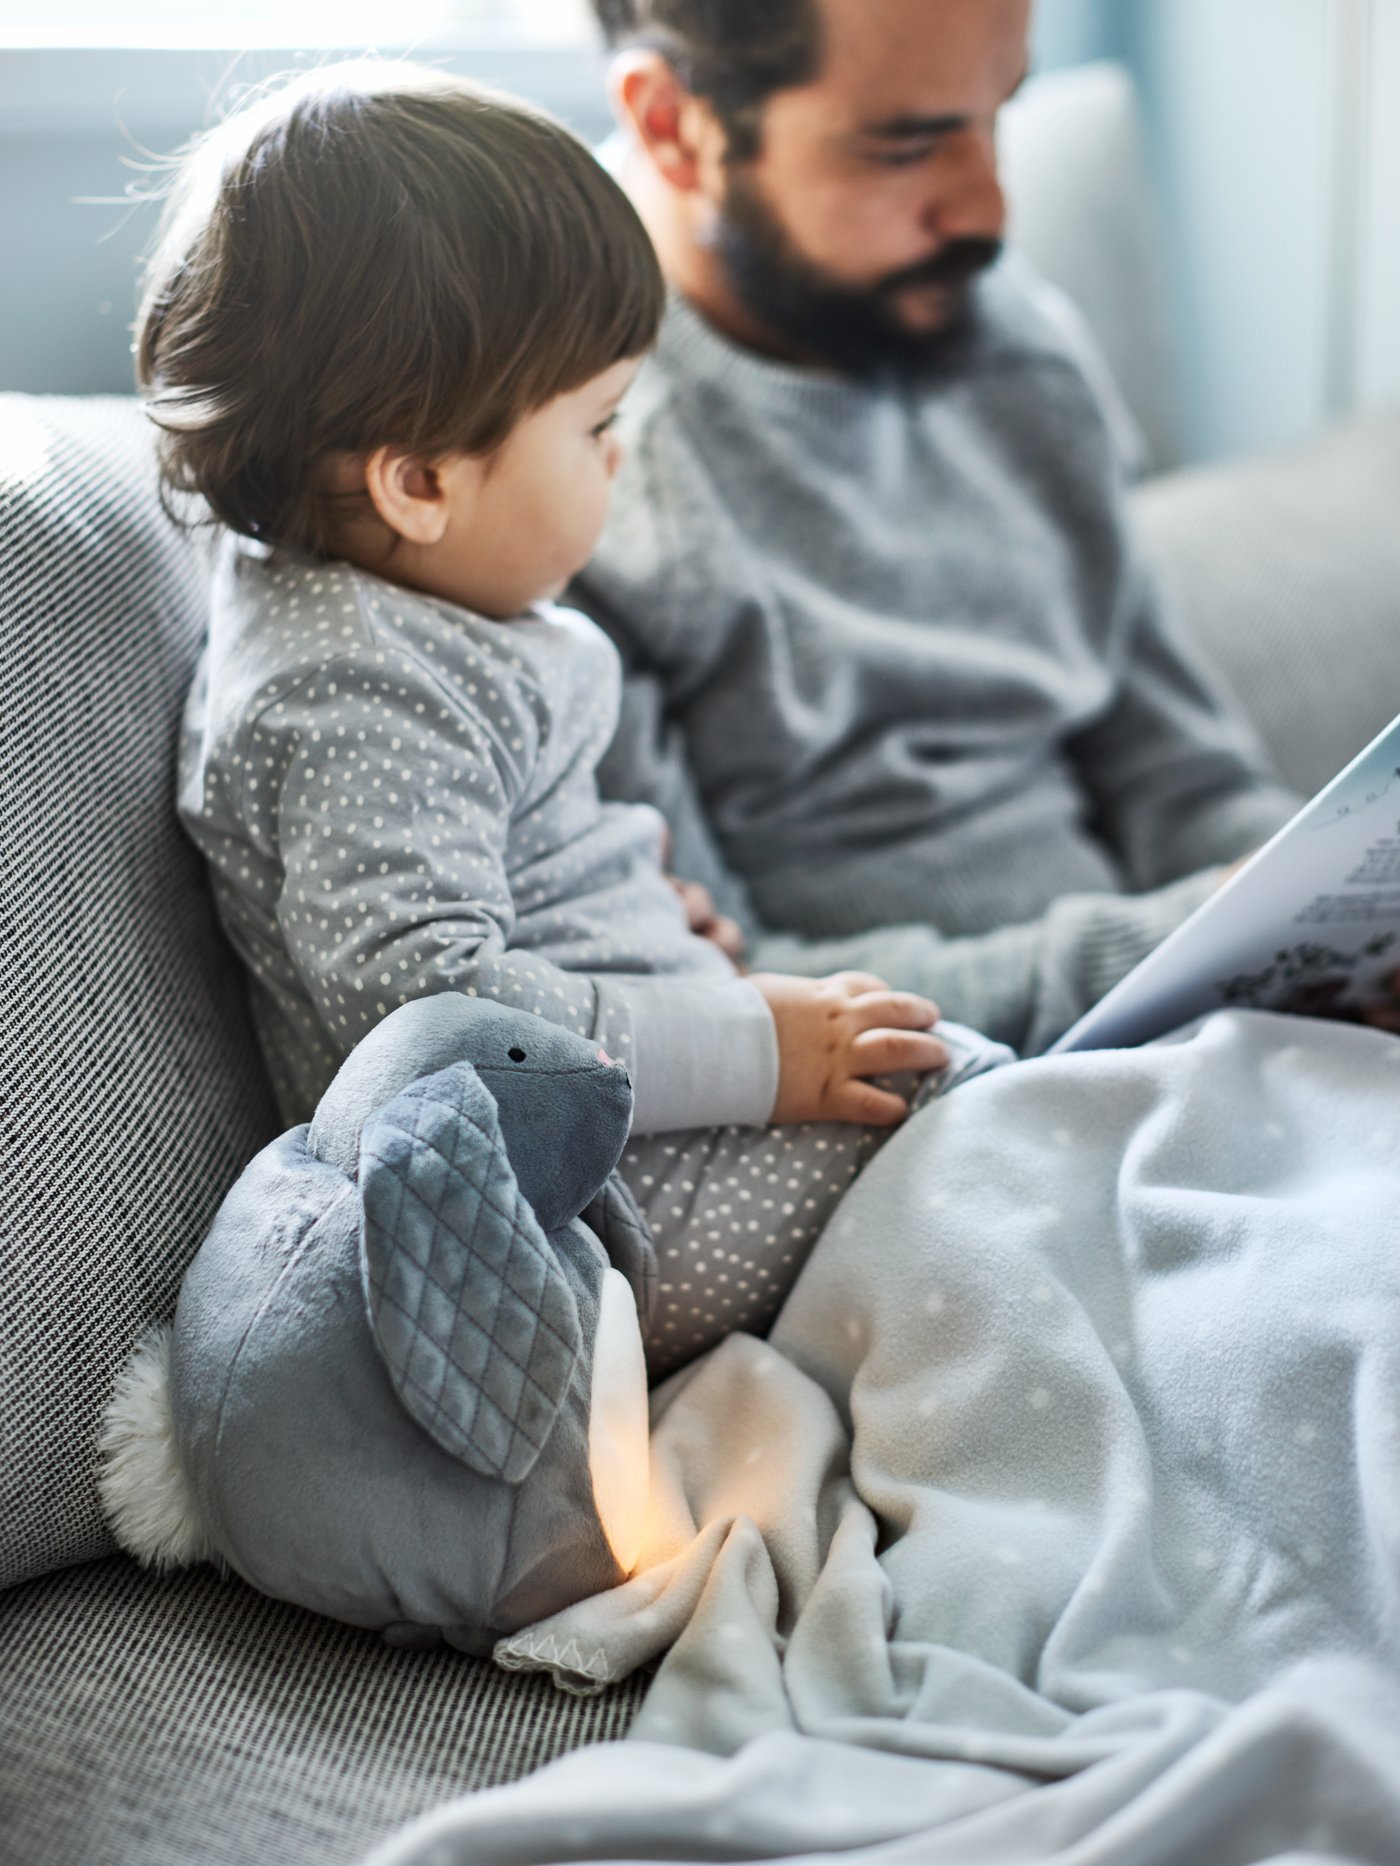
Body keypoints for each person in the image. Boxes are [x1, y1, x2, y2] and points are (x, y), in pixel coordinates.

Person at [145, 60, 953, 1377]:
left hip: (641, 1151)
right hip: (592, 1211)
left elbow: (496, 889)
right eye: (596, 425)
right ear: (418, 479)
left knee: (995, 1101)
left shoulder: (405, 617)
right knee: (969, 1114)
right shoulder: (353, 688)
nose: (620, 459)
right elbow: (431, 1011)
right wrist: (751, 1048)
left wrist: (649, 932)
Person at [574, 0, 1302, 1055]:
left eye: (995, 116)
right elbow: (719, 994)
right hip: (910, 1109)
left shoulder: (1017, 344)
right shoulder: (564, 478)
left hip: (1185, 1029)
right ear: (672, 124)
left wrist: (1323, 909)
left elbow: (1180, 781)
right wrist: (1187, 949)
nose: (986, 211)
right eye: (904, 146)